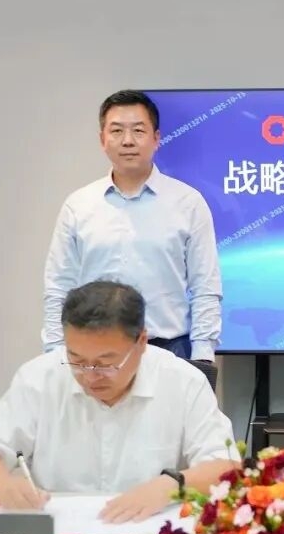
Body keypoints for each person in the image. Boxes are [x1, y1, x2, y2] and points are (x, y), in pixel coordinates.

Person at [0, 281, 239, 522]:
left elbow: (227, 469)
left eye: (106, 363)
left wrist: (170, 485)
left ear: (142, 341)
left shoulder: (184, 381)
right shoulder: (39, 377)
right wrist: (5, 488)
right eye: (77, 360)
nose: (90, 376)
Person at [42, 89, 221, 361]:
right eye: (116, 131)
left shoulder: (188, 203)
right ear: (102, 140)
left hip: (170, 350)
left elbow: (205, 287)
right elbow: (59, 287)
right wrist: (56, 355)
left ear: (156, 139)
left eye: (138, 131)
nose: (127, 141)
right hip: (95, 353)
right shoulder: (78, 206)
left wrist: (203, 357)